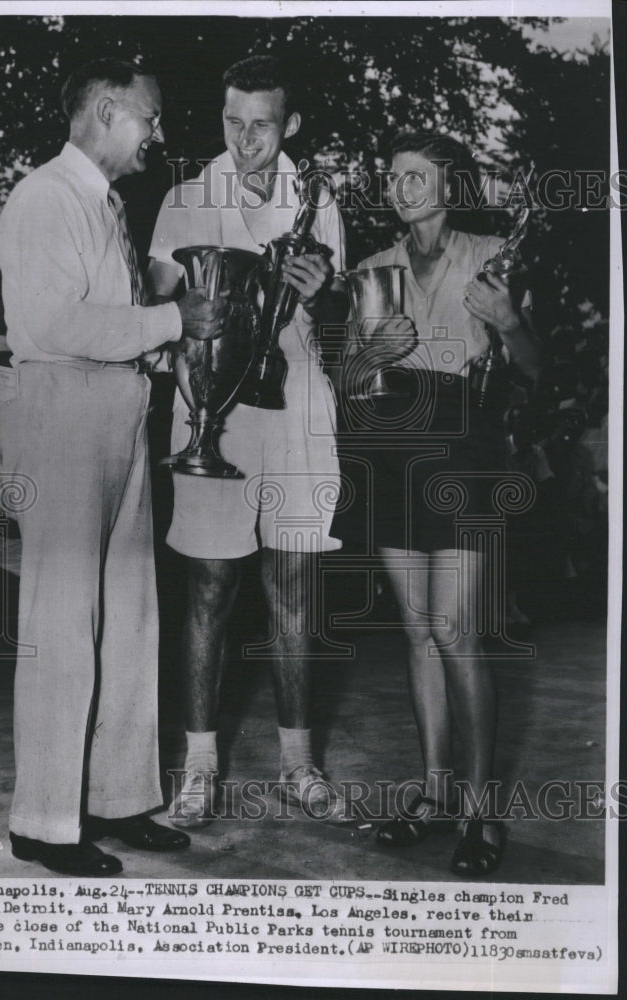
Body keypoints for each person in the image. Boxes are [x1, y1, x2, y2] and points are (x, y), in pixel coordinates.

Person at [0, 58, 228, 876]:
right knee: (62, 625)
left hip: (120, 412)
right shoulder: (43, 198)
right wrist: (172, 318)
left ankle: (120, 799)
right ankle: (45, 822)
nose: (158, 135)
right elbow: (56, 323)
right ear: (104, 109)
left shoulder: (105, 203)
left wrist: (162, 346)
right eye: (150, 118)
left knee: (131, 620)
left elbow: (112, 318)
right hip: (62, 413)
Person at [146, 54, 350, 826]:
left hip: (296, 406)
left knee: (293, 589)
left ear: (289, 123)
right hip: (210, 409)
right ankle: (199, 770)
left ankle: (300, 767)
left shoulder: (321, 201)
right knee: (208, 588)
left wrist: (322, 295)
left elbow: (339, 327)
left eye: (262, 124)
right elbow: (156, 308)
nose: (246, 139)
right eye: (234, 122)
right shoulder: (184, 198)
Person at [335, 131, 540, 875]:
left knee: (458, 632)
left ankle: (483, 813)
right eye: (393, 176)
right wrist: (369, 356)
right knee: (417, 629)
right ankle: (432, 794)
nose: (400, 186)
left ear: (449, 187)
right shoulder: (370, 269)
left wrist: (510, 320)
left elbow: (533, 370)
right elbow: (350, 386)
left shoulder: (491, 255)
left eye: (416, 176)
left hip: (465, 447)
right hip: (391, 446)